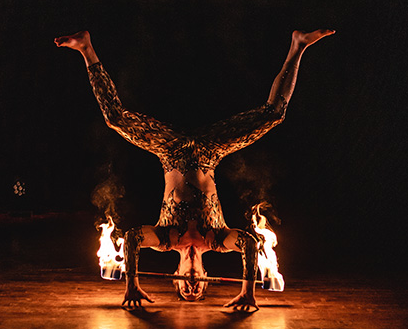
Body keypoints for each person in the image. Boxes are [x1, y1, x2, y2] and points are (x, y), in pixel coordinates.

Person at [55, 27, 335, 310]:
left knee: (115, 118)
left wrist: (133, 284)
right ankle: (298, 46)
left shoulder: (163, 239)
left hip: (169, 150)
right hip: (211, 150)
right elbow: (250, 244)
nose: (191, 286)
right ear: (206, 278)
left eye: (185, 290)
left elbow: (131, 238)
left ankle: (86, 48)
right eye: (197, 289)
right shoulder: (220, 240)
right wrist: (248, 291)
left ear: (174, 279)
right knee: (273, 114)